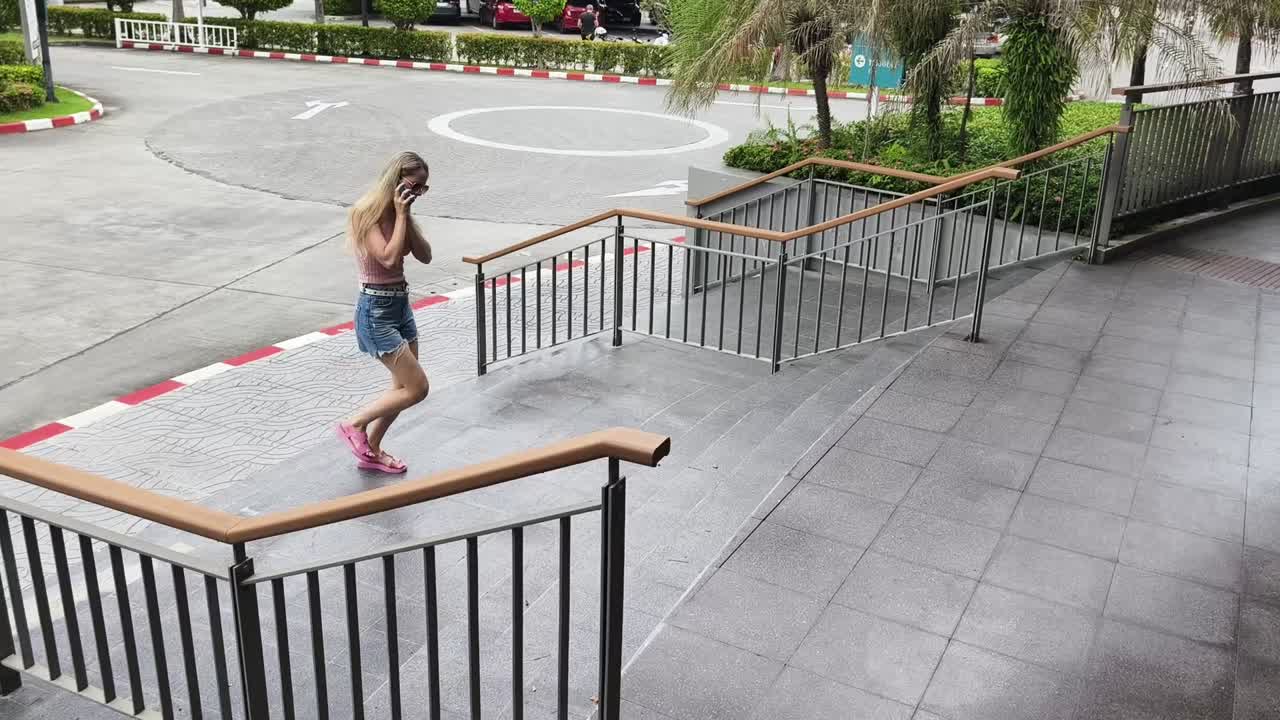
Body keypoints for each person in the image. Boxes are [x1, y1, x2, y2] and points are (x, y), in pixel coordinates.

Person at [335, 151, 433, 474]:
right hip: (375, 312)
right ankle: (355, 424)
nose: (416, 194)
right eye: (413, 186)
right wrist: (401, 215)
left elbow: (426, 255)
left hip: (400, 306)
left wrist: (406, 214)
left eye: (422, 189)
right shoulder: (366, 213)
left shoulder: (401, 212)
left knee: (401, 389)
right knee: (417, 388)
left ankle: (372, 449)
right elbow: (389, 259)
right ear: (395, 180)